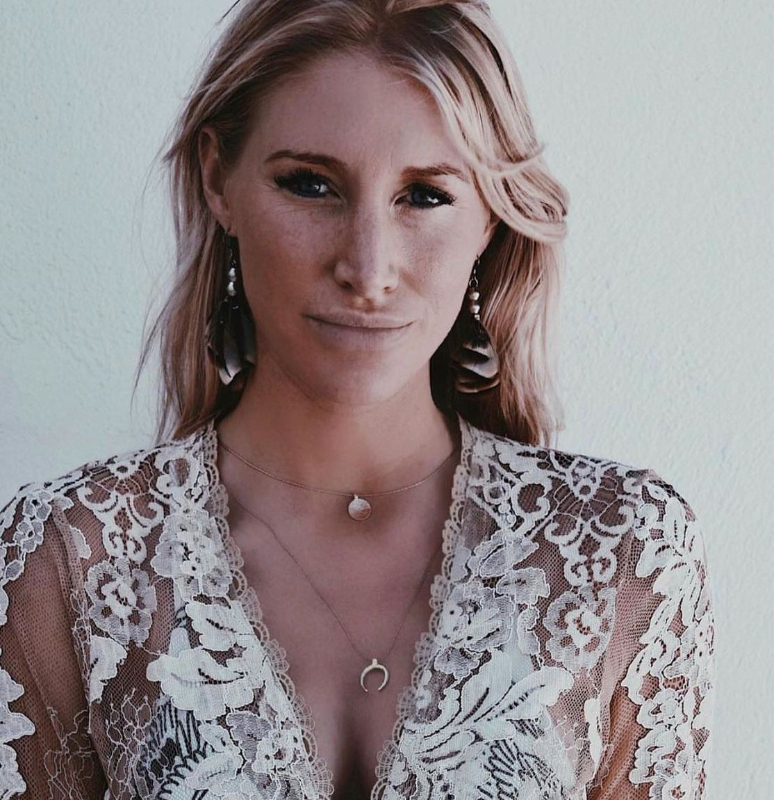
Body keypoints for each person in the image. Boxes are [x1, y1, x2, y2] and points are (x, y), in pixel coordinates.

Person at [0, 1, 715, 798]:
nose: (368, 270)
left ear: (491, 214)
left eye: (425, 195)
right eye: (311, 185)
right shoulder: (71, 558)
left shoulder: (623, 554)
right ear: (217, 179)